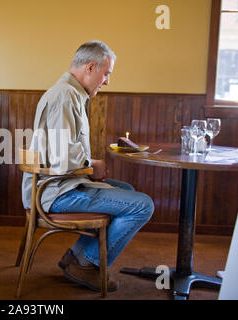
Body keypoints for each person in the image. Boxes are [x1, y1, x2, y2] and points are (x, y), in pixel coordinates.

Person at [21, 41, 154, 292]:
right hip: (54, 192)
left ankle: (76, 256)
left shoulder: (70, 93)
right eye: (107, 74)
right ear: (90, 67)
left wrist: (90, 167)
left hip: (57, 185)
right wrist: (92, 164)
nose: (107, 81)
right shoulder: (65, 96)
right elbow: (63, 156)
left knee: (126, 188)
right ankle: (86, 264)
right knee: (143, 205)